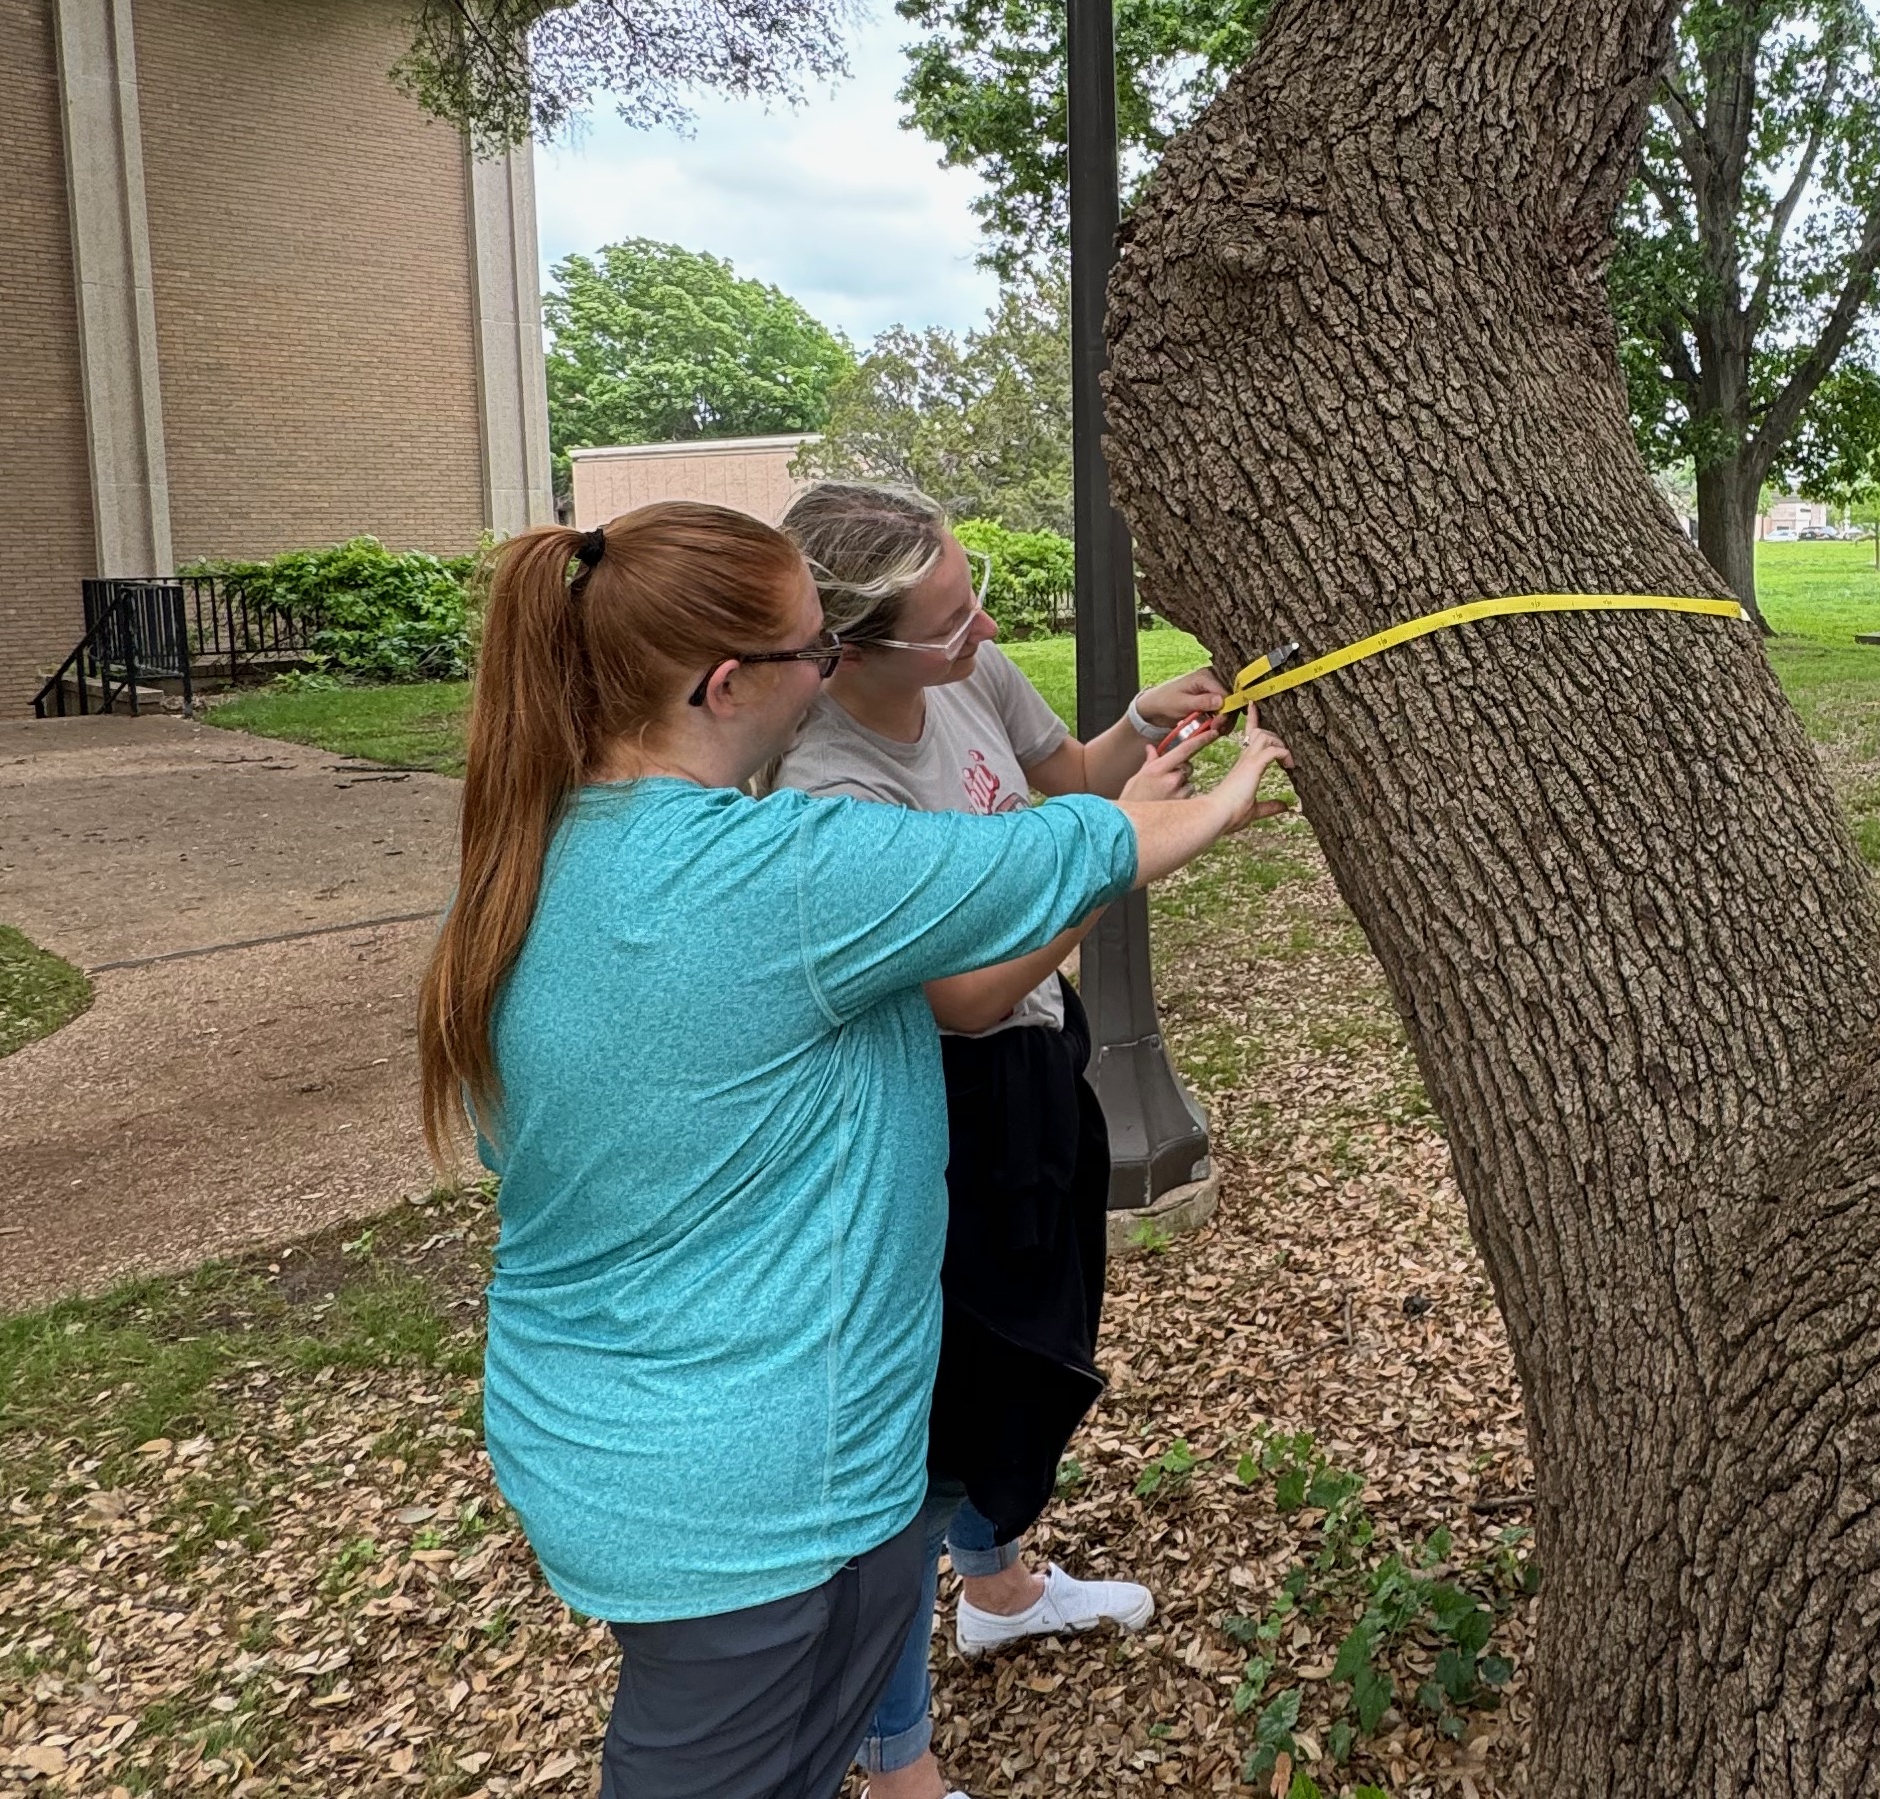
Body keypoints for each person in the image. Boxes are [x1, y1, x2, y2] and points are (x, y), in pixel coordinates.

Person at [416, 500, 1291, 1799]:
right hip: (755, 1494)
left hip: (630, 1450)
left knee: (781, 1750)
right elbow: (1079, 844)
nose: (832, 673)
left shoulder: (529, 863)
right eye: (816, 651)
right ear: (728, 685)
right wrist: (1231, 788)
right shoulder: (790, 869)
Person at [771, 481, 1246, 1799]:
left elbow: (1069, 785)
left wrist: (1139, 731)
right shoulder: (832, 786)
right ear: (844, 649)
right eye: (948, 618)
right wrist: (1112, 855)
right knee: (928, 1430)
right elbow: (962, 991)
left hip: (1039, 1065)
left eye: (975, 594)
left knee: (1033, 1357)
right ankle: (897, 1767)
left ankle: (996, 1588)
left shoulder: (971, 678)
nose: (981, 628)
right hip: (937, 1113)